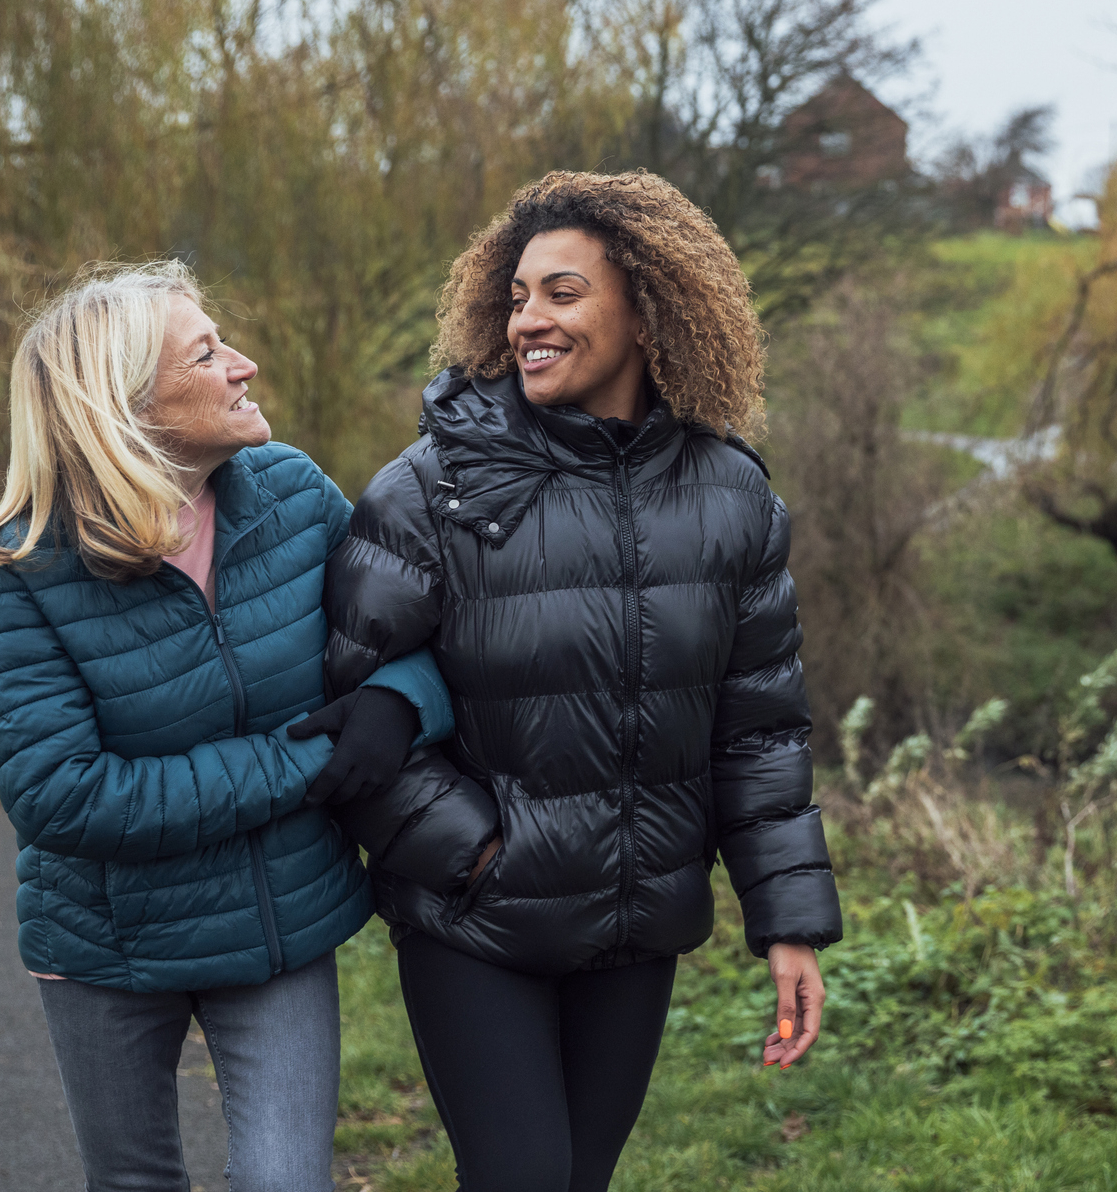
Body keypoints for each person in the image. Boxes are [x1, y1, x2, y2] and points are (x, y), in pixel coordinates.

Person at [315, 170, 843, 1191]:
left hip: (632, 925)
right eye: (516, 296)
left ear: (648, 309)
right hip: (479, 922)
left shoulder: (732, 497)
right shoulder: (429, 491)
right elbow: (361, 709)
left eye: (561, 292)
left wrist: (786, 922)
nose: (529, 321)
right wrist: (475, 855)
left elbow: (759, 729)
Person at [0, 260, 447, 1192]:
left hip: (280, 926)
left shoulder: (292, 493)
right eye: (207, 352)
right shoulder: (22, 563)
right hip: (106, 943)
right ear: (121, 401)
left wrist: (400, 701)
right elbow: (60, 793)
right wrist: (310, 760)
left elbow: (412, 634)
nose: (244, 364)